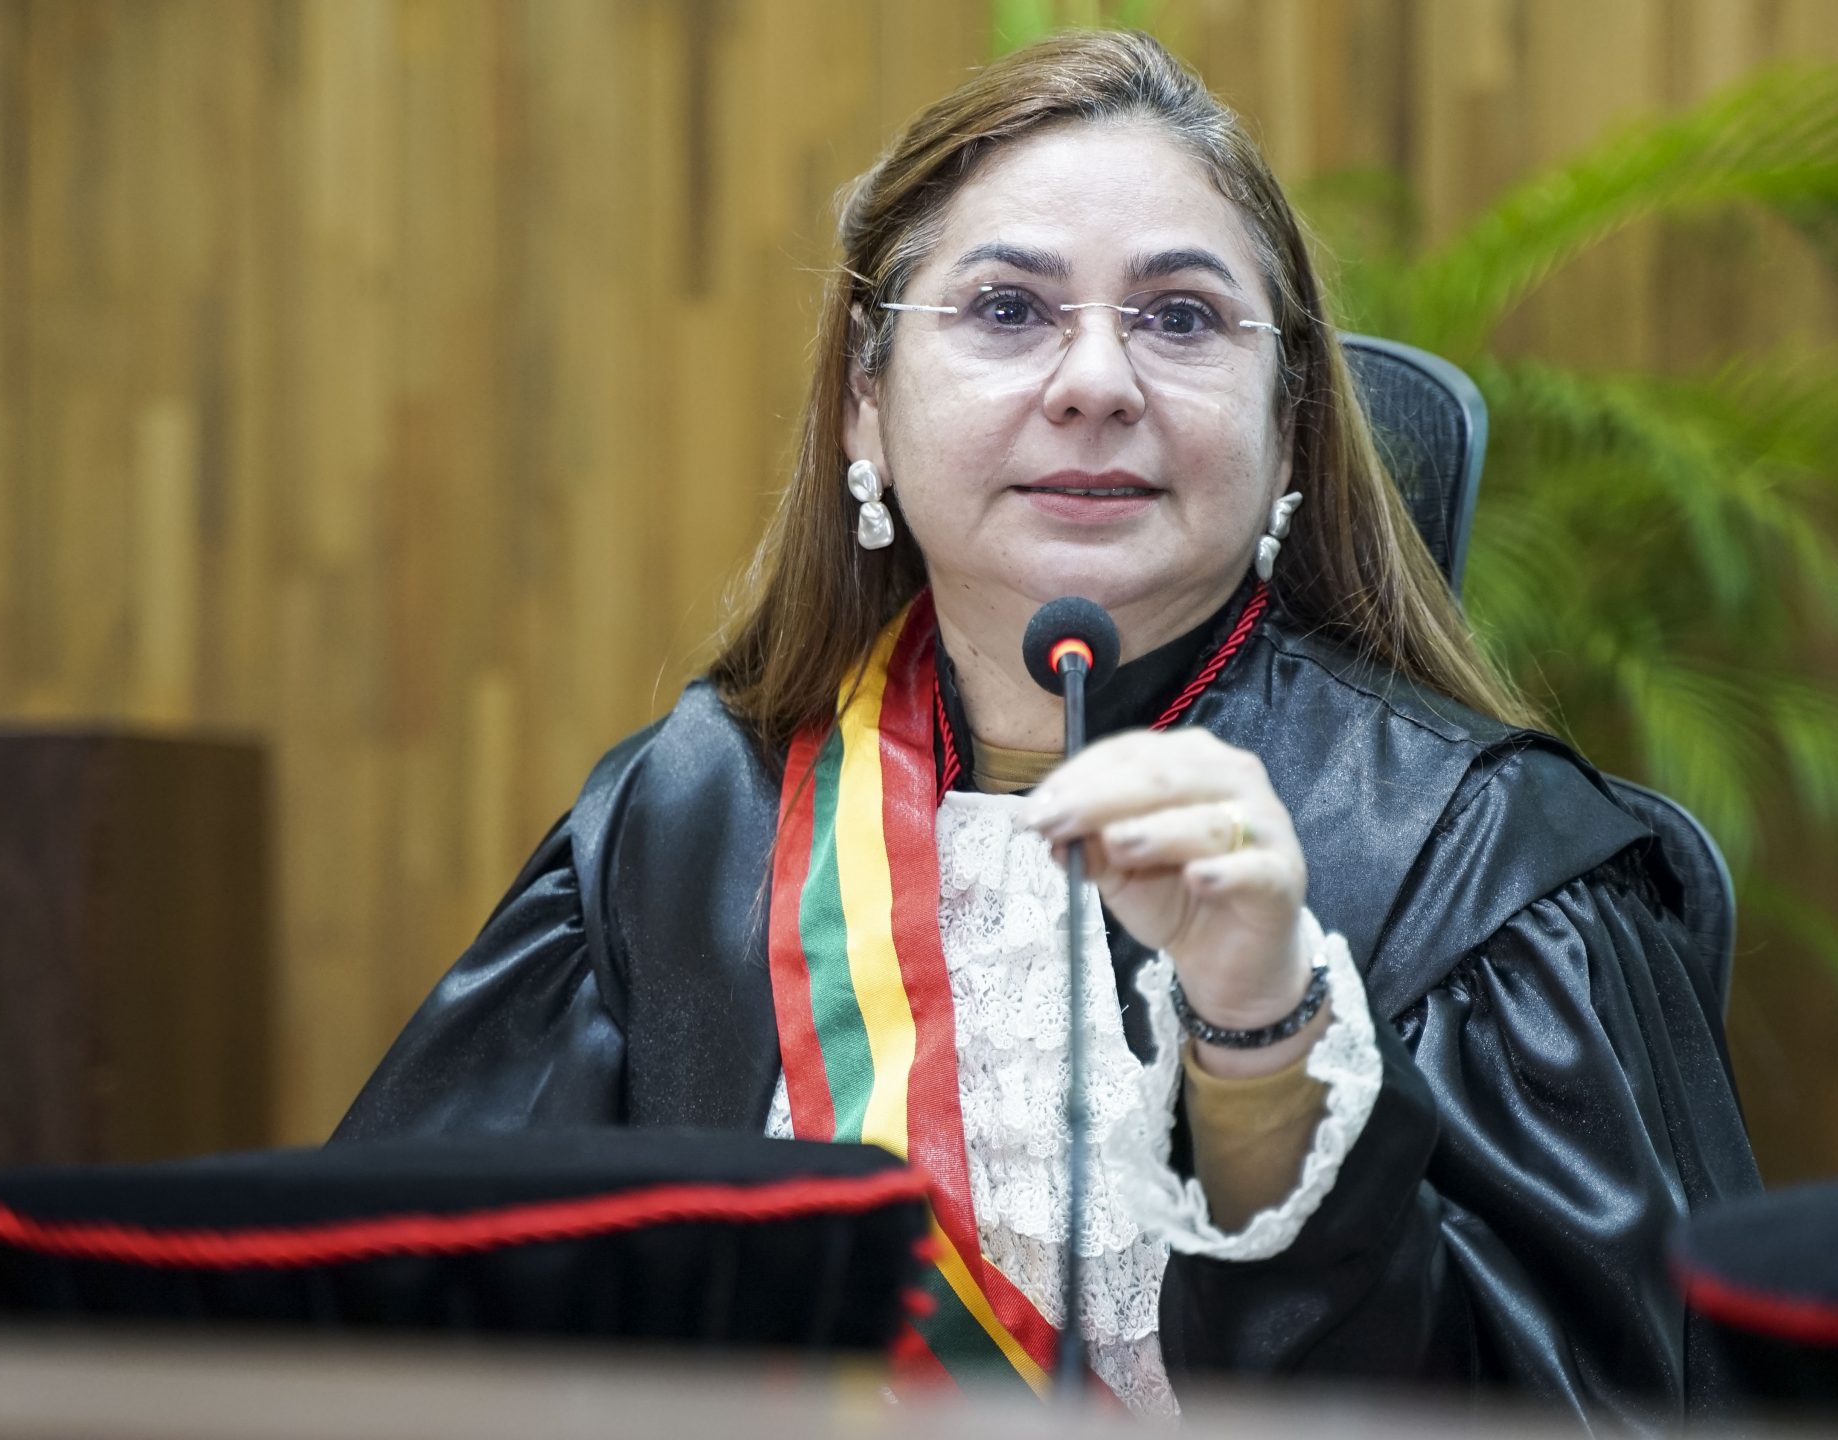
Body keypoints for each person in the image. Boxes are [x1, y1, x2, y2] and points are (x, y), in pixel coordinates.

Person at [335, 29, 1758, 1424]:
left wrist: (1265, 1046)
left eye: (1180, 318)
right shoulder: (686, 821)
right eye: (1009, 309)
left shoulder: (1477, 861)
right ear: (865, 406)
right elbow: (392, 1345)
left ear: (1288, 427)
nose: (1095, 382)